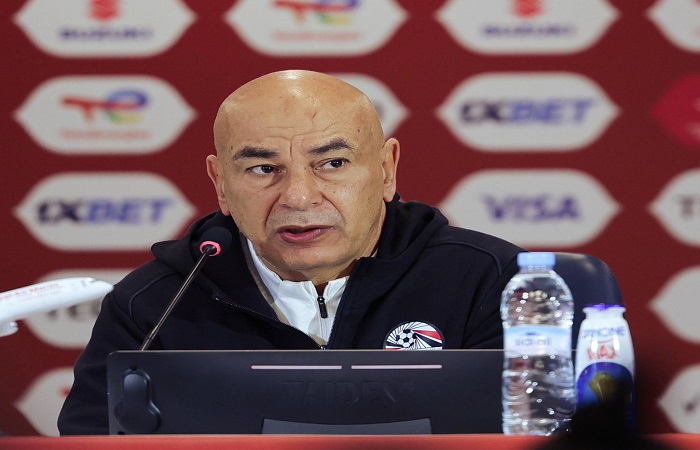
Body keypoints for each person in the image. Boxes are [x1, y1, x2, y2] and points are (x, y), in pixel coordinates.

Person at [57, 70, 524, 435]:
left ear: (386, 169)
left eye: (333, 163)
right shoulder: (154, 304)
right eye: (264, 168)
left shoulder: (490, 282)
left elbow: (536, 429)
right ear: (221, 183)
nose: (299, 197)